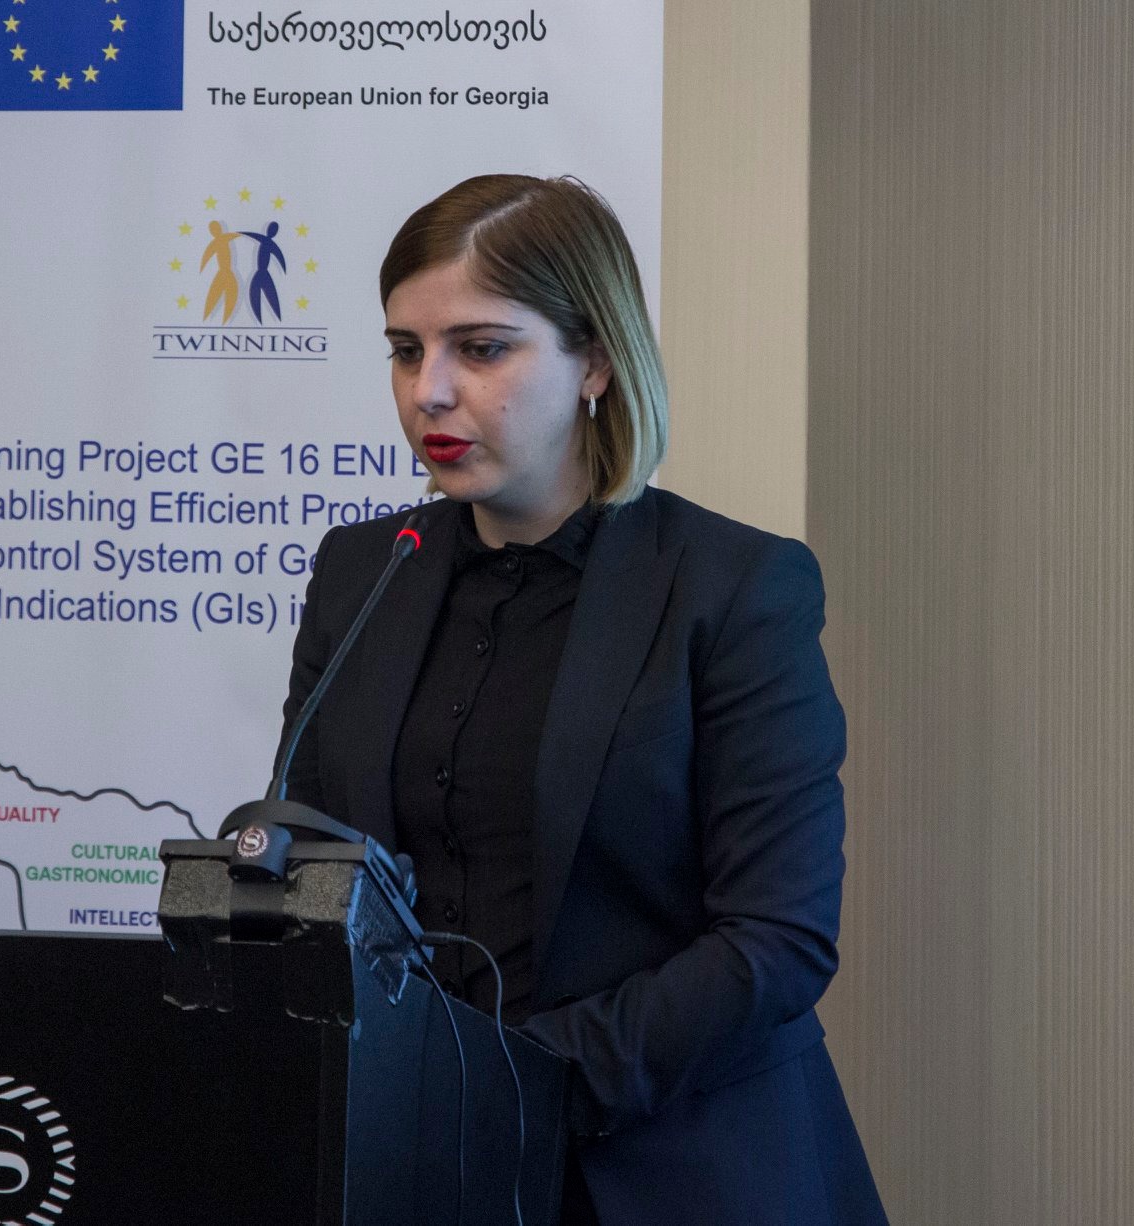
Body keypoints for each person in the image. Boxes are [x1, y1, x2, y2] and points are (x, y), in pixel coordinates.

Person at [275, 175, 886, 1224]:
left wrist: (512, 1083)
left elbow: (775, 940)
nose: (429, 392)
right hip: (413, 1170)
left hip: (673, 1170)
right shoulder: (361, 572)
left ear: (594, 361)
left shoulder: (732, 588)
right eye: (406, 351)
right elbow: (314, 871)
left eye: (480, 348)